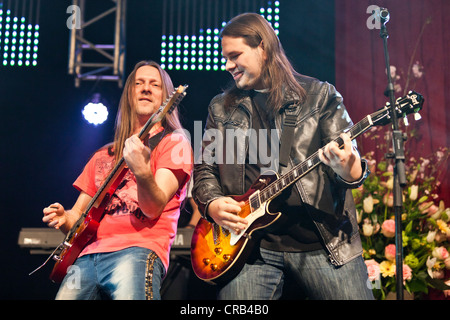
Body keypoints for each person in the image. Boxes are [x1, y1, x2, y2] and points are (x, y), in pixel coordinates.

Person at [192, 13, 374, 300]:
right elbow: (204, 169)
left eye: (235, 55)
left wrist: (347, 166)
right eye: (225, 57)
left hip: (323, 242)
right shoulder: (221, 108)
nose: (228, 66)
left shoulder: (320, 96)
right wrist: (212, 204)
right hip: (250, 249)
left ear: (262, 48)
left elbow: (353, 171)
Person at [42, 60, 193, 300]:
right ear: (129, 95)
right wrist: (64, 218)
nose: (146, 88)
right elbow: (79, 219)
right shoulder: (103, 154)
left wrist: (142, 171)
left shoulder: (175, 143)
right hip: (86, 256)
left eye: (154, 84)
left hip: (138, 250)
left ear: (166, 99)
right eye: (139, 83)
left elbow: (153, 209)